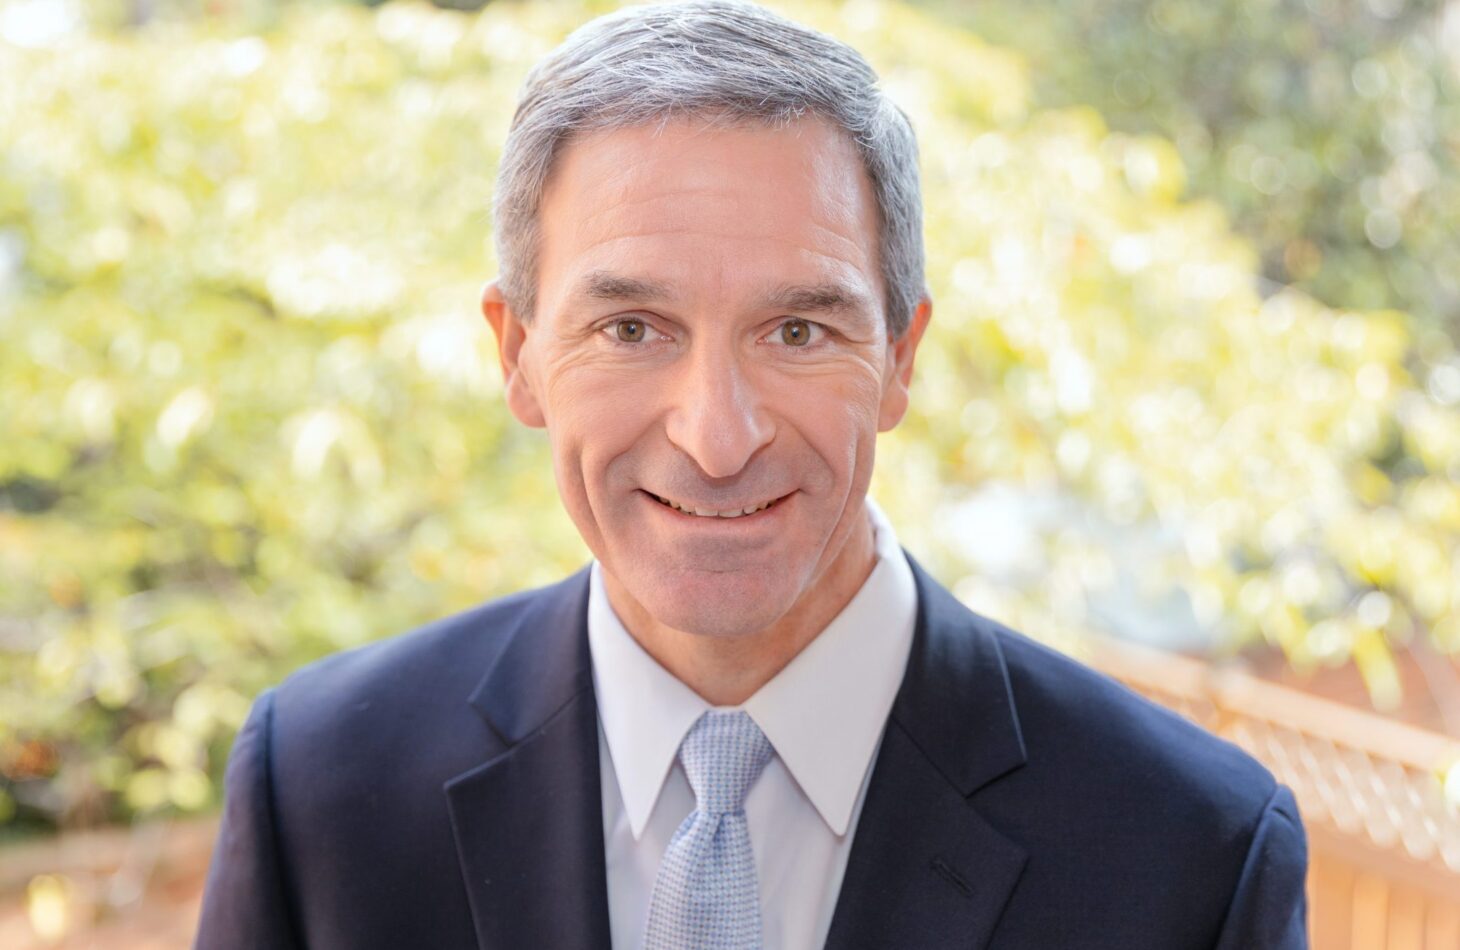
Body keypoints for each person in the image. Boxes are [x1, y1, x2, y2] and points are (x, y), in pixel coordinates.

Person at [194, 2, 1309, 947]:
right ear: (518, 355)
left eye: (796, 332)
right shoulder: (322, 788)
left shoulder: (1191, 853)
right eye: (631, 328)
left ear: (899, 359)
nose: (716, 438)